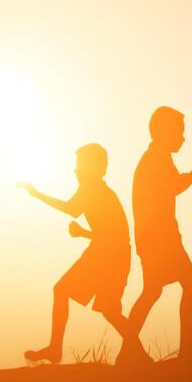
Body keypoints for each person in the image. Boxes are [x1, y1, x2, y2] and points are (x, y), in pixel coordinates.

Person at [20, 143, 149, 365]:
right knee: (109, 310)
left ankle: (55, 349)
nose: (75, 170)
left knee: (65, 292)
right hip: (112, 253)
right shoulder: (100, 190)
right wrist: (85, 233)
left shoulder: (93, 188)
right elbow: (112, 234)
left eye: (79, 165)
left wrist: (36, 194)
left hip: (107, 255)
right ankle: (141, 356)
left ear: (94, 167)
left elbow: (71, 209)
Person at [127, 106, 192, 356]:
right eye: (179, 132)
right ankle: (186, 350)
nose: (183, 137)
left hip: (156, 237)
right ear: (163, 132)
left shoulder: (158, 158)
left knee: (152, 291)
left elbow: (170, 186)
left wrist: (190, 176)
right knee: (190, 283)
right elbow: (172, 187)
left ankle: (127, 351)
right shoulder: (154, 160)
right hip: (158, 238)